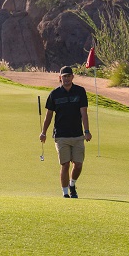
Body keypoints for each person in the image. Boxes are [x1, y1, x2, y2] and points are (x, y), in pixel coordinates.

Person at [39, 66, 92, 198]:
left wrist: (86, 131)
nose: (66, 79)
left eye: (69, 76)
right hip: (61, 135)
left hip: (78, 135)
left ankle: (72, 184)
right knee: (65, 164)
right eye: (64, 76)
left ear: (72, 77)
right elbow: (49, 115)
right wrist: (43, 132)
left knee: (78, 164)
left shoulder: (80, 91)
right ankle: (65, 193)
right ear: (60, 78)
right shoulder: (54, 94)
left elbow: (84, 113)